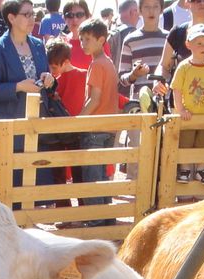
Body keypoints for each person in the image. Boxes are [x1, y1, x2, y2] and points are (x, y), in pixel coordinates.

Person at [0, 0, 53, 120]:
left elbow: (48, 82)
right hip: (9, 126)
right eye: (27, 15)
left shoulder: (38, 45)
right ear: (11, 18)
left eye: (33, 14)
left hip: (39, 120)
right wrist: (18, 87)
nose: (32, 19)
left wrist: (49, 79)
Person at [76, 16, 118, 225]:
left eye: (87, 39)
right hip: (109, 127)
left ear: (101, 40)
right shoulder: (108, 63)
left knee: (93, 177)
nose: (83, 43)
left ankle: (94, 223)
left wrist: (78, 121)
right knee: (102, 176)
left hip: (94, 127)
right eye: (82, 39)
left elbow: (95, 99)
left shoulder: (97, 65)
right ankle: (107, 221)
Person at [172, 23, 204, 184]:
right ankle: (185, 168)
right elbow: (177, 89)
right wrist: (181, 110)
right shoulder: (184, 67)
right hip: (189, 116)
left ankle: (201, 168)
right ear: (188, 44)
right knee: (186, 142)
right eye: (199, 43)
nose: (203, 47)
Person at [45, 35, 84, 203]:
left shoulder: (83, 76)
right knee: (59, 171)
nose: (52, 71)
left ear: (66, 61)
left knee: (78, 172)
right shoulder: (54, 81)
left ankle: (82, 210)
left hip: (76, 130)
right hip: (60, 130)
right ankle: (63, 210)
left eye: (55, 67)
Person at [60, 0, 108, 69]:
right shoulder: (61, 44)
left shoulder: (98, 41)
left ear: (87, 17)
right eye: (70, 15)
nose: (75, 19)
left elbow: (105, 72)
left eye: (79, 15)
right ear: (64, 18)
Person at [107, 0, 139, 68]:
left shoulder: (111, 33)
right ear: (132, 12)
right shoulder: (133, 33)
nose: (138, 16)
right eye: (136, 11)